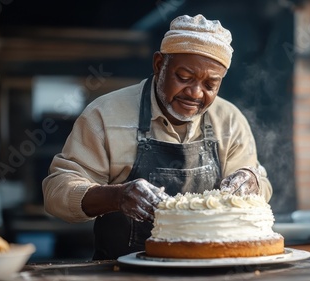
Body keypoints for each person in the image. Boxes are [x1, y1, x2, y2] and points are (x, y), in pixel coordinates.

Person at [42, 14, 273, 260]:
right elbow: (57, 191)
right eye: (184, 78)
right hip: (122, 273)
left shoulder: (229, 120)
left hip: (212, 270)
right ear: (158, 64)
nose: (195, 93)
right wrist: (117, 196)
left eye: (210, 85)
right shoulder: (105, 115)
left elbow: (260, 182)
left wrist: (252, 180)